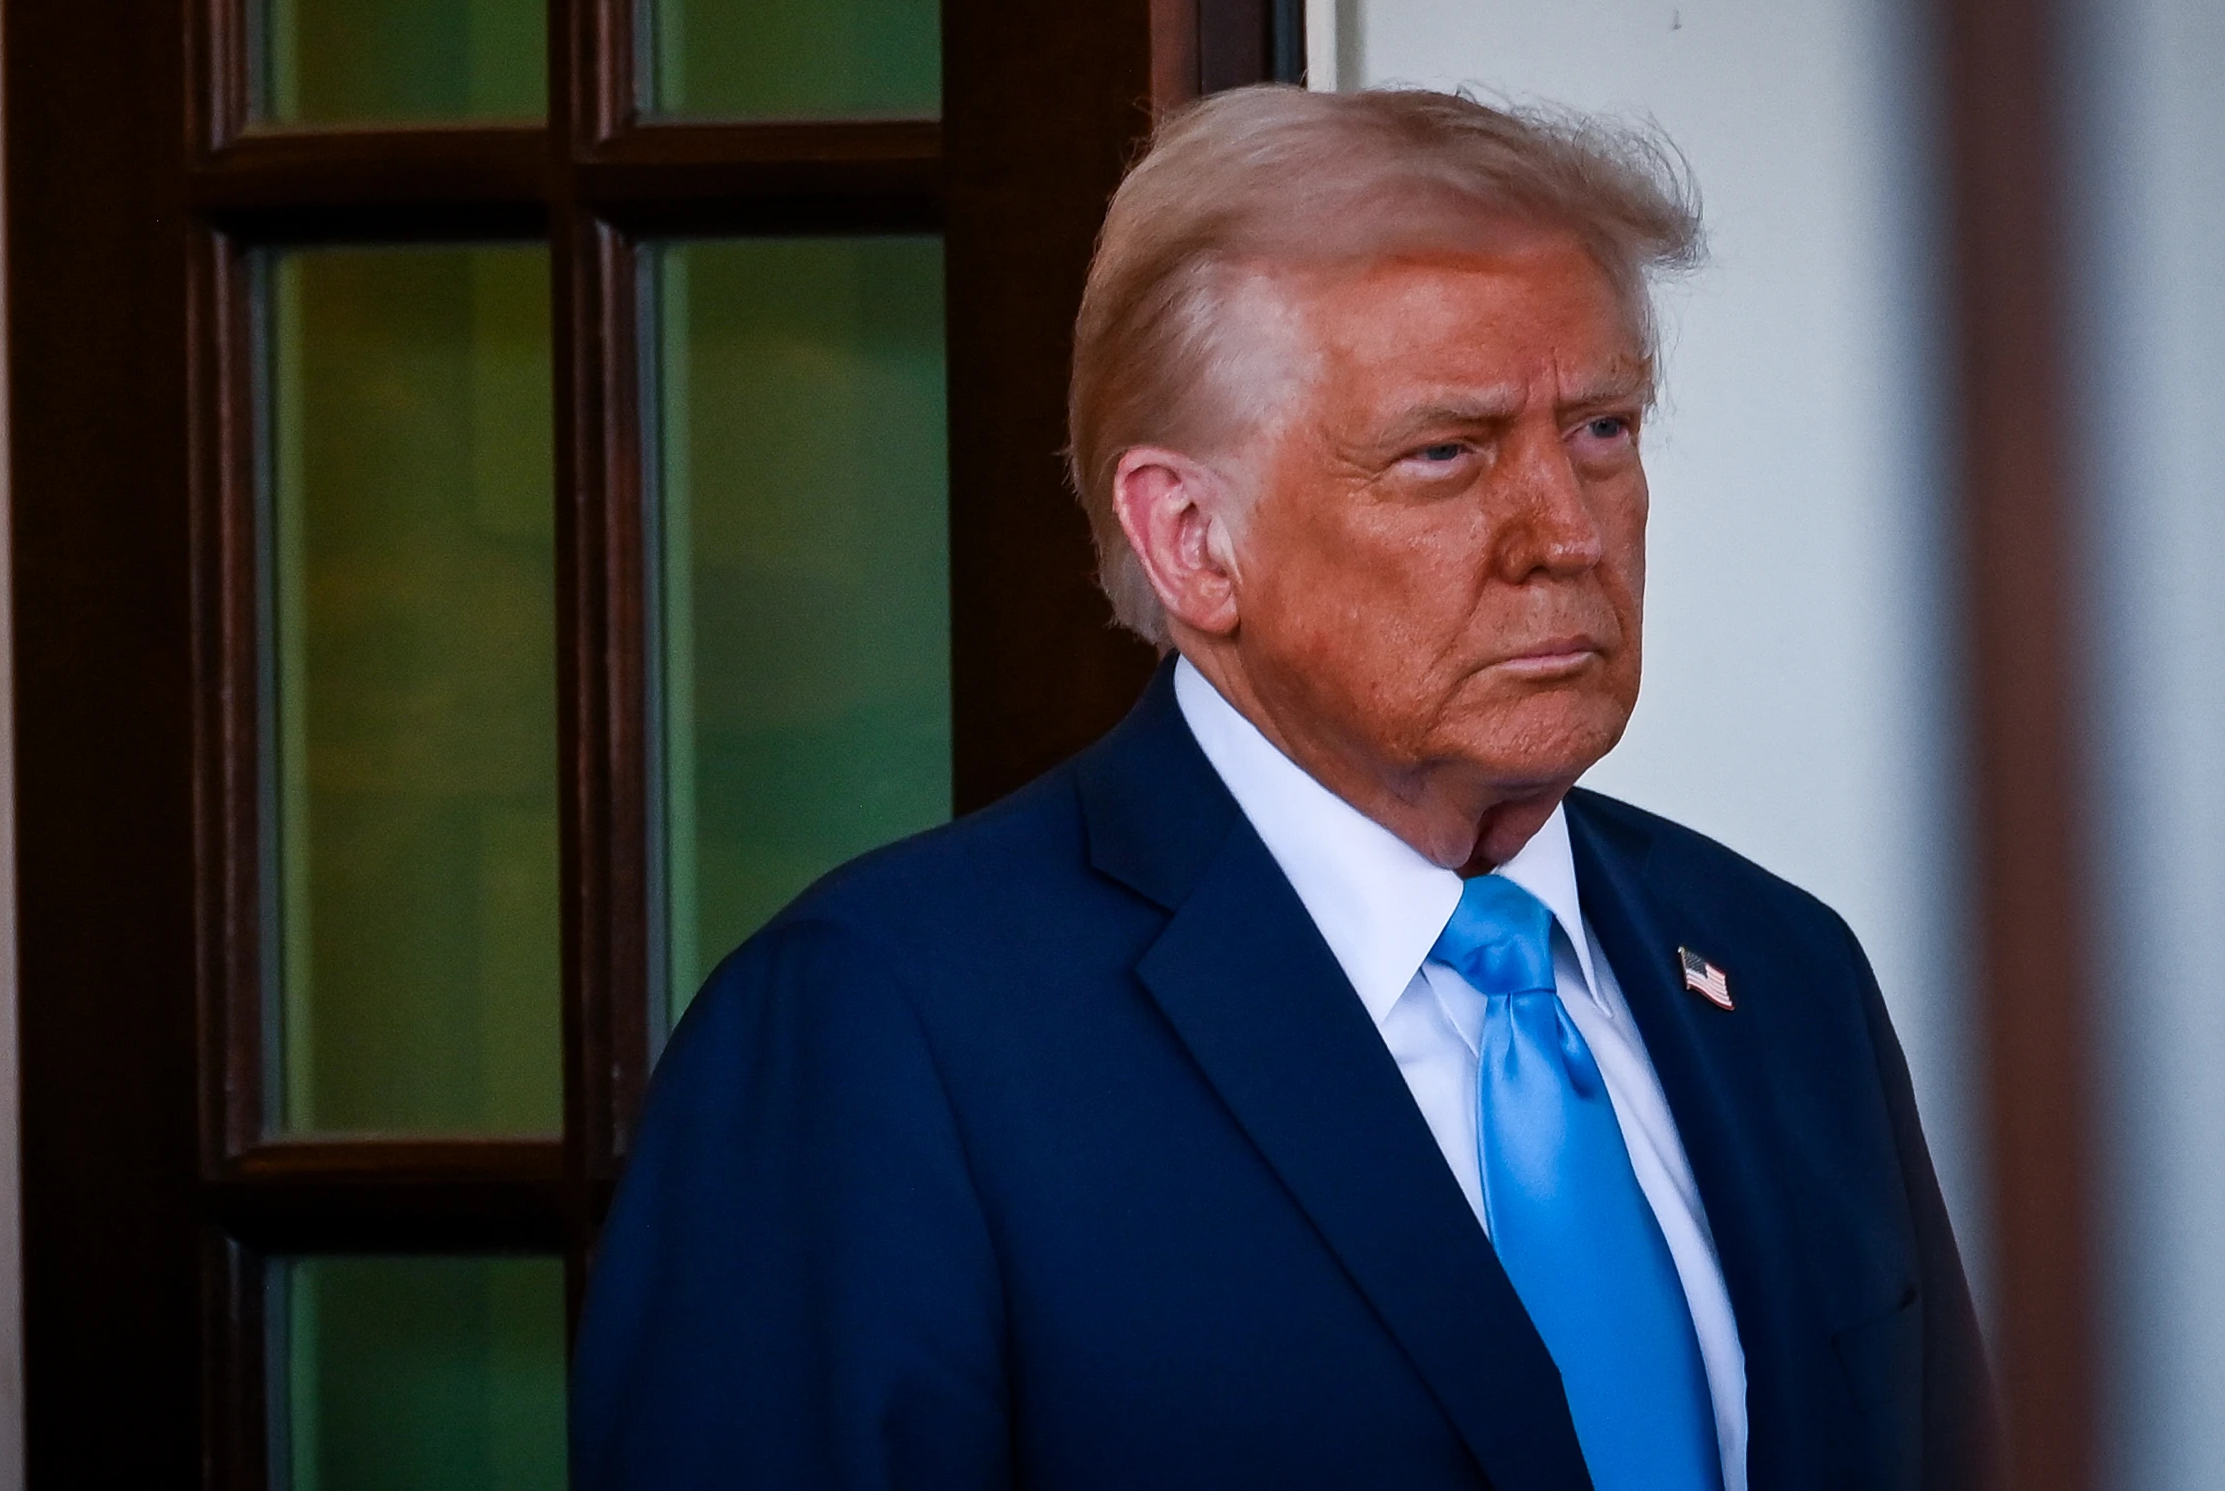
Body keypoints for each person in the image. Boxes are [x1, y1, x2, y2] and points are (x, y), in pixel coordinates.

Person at [571, 86, 1989, 1491]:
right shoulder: (883, 1032)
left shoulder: (1780, 972)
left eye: (1603, 430)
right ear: (1191, 539)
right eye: (1448, 452)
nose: (1566, 532)